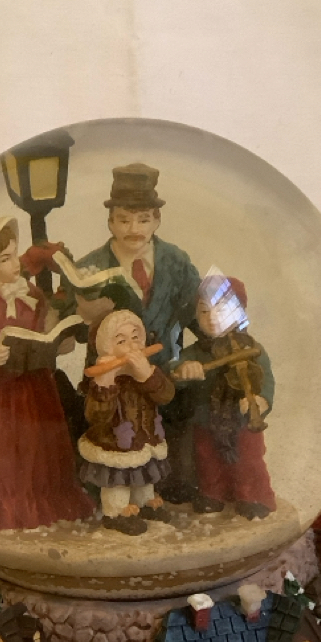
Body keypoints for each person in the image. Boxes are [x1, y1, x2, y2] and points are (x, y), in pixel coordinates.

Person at [70, 164, 202, 500]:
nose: (134, 229)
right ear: (110, 221)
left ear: (157, 220)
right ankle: (111, 500)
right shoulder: (89, 268)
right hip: (113, 384)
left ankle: (163, 495)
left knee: (171, 460)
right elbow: (68, 325)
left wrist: (198, 357)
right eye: (124, 219)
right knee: (116, 445)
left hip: (165, 375)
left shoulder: (176, 261)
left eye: (143, 219)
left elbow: (198, 316)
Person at [0, 216, 93, 530]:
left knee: (39, 444)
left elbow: (46, 329)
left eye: (15, 255)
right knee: (4, 447)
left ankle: (47, 500)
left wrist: (58, 339)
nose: (15, 263)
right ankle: (6, 505)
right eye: (4, 259)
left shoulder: (31, 293)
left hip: (36, 386)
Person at [173, 271, 276, 520]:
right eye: (204, 311)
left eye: (221, 309)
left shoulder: (252, 349)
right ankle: (212, 493)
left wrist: (261, 399)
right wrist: (183, 370)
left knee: (248, 460)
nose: (211, 318)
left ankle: (251, 496)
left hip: (242, 420)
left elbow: (266, 380)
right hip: (206, 418)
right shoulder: (195, 352)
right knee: (207, 458)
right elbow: (173, 372)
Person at [79, 310, 175, 535]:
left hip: (145, 438)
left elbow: (167, 395)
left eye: (135, 337)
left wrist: (147, 376)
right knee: (118, 481)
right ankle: (117, 511)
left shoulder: (146, 371)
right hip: (114, 444)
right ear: (107, 348)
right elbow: (96, 417)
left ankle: (144, 502)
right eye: (121, 341)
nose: (132, 346)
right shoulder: (104, 380)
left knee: (144, 476)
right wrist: (105, 383)